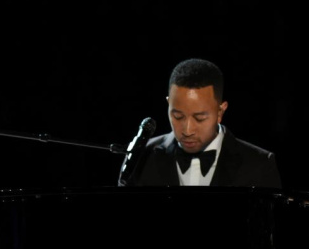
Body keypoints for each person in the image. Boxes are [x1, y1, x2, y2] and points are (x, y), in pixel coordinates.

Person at [118, 57, 282, 188]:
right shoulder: (140, 158)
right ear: (168, 105)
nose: (188, 130)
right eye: (178, 116)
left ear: (220, 112)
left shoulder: (258, 165)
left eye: (199, 118)